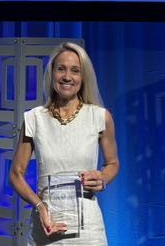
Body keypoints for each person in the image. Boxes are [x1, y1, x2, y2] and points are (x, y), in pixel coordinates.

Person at [9, 42, 119, 245]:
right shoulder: (35, 118)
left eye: (75, 71)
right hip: (47, 224)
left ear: (83, 77)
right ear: (51, 74)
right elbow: (16, 174)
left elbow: (112, 163)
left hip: (88, 230)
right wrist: (40, 206)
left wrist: (102, 177)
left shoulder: (100, 117)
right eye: (61, 69)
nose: (67, 76)